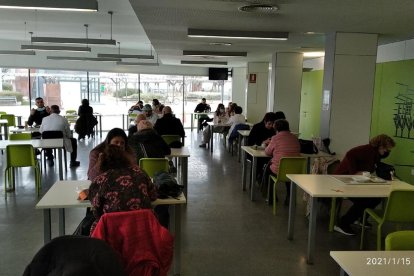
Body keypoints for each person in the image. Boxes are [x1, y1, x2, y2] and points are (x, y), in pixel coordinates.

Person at [334, 134, 396, 236]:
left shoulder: (375, 154)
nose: (387, 152)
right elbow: (350, 154)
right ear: (380, 146)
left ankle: (360, 219)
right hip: (343, 179)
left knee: (376, 198)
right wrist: (355, 172)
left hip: (353, 181)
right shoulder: (367, 150)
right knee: (364, 200)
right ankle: (343, 223)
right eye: (386, 149)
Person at [88, 144, 157, 234]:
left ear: (103, 161)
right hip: (143, 230)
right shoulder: (140, 173)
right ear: (125, 158)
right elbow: (153, 195)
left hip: (112, 232)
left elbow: (96, 211)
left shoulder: (100, 180)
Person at [264, 119, 301, 205]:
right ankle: (289, 198)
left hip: (279, 170)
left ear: (276, 128)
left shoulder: (275, 138)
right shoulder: (295, 138)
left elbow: (268, 152)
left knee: (267, 171)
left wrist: (267, 144)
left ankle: (271, 198)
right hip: (295, 170)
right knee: (288, 174)